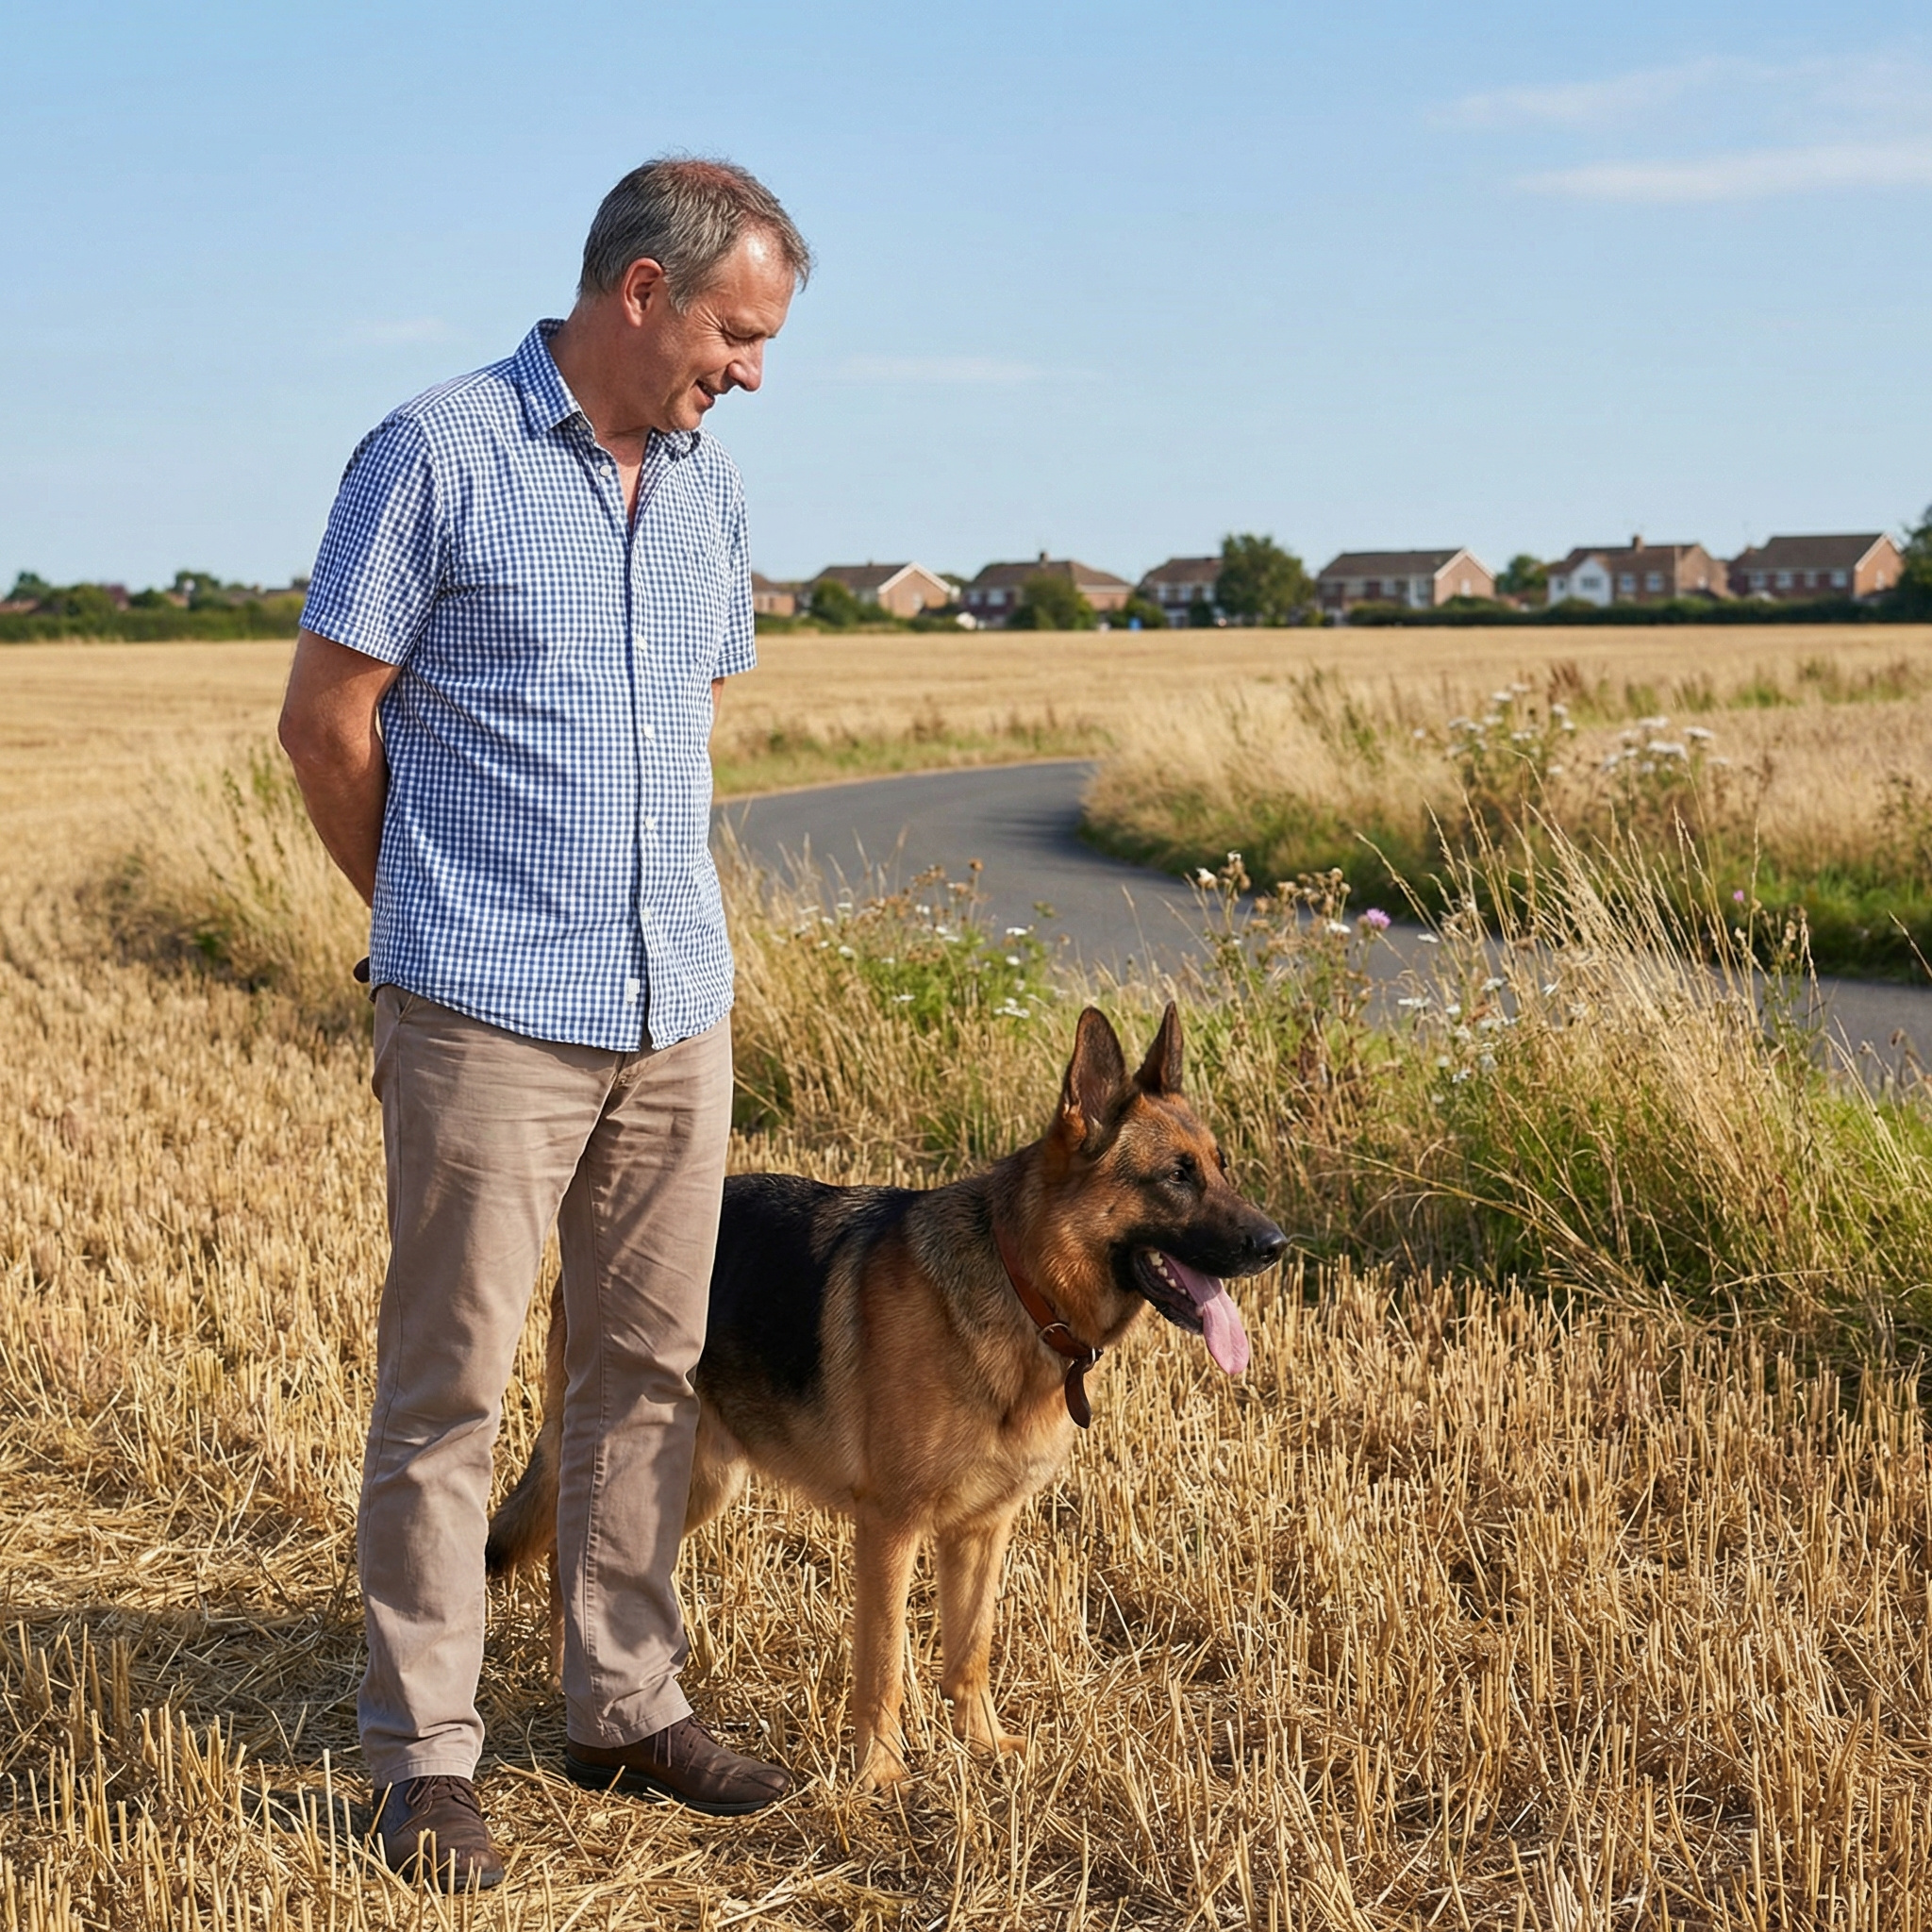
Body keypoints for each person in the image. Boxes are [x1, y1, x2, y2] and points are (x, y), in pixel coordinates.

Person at [277, 157, 810, 1892]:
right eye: (737, 331)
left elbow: (689, 733)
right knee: (448, 1388)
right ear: (643, 294)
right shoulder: (433, 453)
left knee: (647, 1370)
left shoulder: (716, 492)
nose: (752, 370)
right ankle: (423, 1752)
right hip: (483, 1012)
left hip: (678, 1012)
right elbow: (326, 723)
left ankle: (623, 1700)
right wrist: (426, 929)